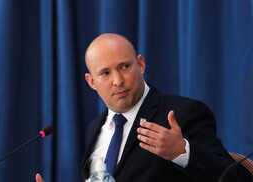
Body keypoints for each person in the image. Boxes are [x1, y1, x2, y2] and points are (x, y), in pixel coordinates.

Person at [36, 33, 250, 182]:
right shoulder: (94, 128)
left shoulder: (183, 114)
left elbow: (235, 178)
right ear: (91, 82)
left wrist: (183, 152)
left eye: (125, 67)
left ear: (141, 64)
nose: (118, 81)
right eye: (105, 73)